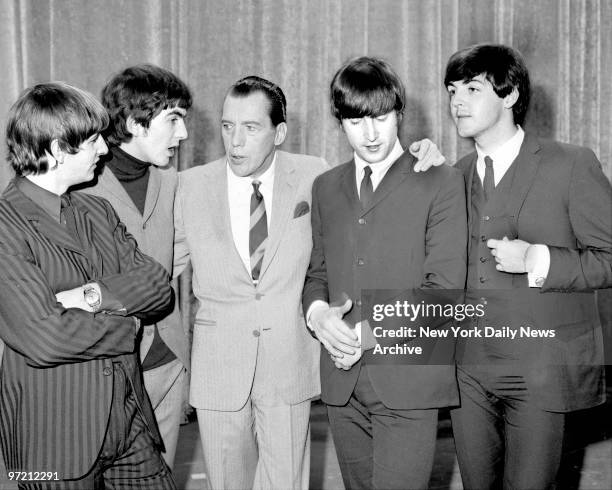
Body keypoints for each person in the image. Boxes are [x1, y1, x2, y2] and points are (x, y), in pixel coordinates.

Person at [173, 74, 444, 490]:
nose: (236, 142)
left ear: (279, 132)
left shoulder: (314, 176)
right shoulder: (188, 187)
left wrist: (424, 154)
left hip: (288, 366)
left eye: (251, 128)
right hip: (219, 369)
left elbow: (380, 177)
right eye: (228, 127)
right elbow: (158, 266)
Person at [443, 44, 612, 489]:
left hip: (541, 369)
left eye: (472, 89)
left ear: (511, 94)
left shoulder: (571, 164)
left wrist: (537, 259)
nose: (457, 102)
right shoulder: (452, 177)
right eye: (452, 90)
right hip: (469, 373)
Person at [302, 56, 467, 490]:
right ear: (340, 123)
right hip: (341, 381)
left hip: (409, 377)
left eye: (381, 118)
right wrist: (317, 315)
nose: (371, 134)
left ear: (400, 114)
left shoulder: (440, 181)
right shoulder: (326, 187)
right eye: (357, 121)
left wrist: (365, 335)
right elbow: (317, 271)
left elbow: (445, 291)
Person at [0, 82, 176, 488]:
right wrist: (127, 325)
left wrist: (91, 296)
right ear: (59, 149)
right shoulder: (6, 224)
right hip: (53, 437)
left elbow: (157, 285)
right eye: (94, 140)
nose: (104, 150)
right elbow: (45, 337)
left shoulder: (97, 210)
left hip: (129, 423)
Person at [81, 64, 191, 468]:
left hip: (167, 363)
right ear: (134, 123)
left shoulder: (171, 180)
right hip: (108, 369)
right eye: (174, 120)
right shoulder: (82, 183)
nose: (183, 134)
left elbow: (177, 254)